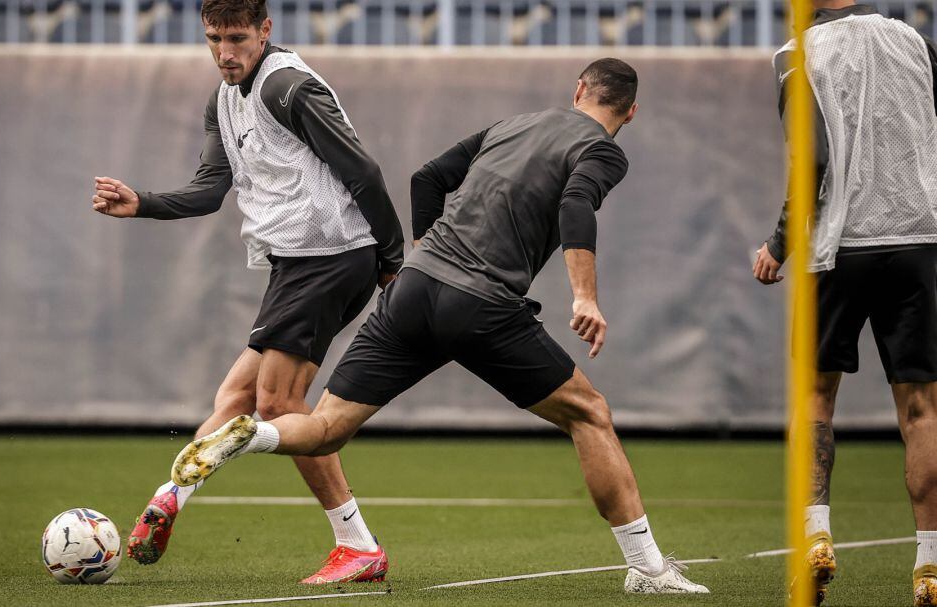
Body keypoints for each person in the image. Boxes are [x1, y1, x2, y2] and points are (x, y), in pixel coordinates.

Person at [170, 58, 709, 594]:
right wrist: (586, 297)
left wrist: (425, 247)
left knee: (326, 428)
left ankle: (252, 436)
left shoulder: (513, 124)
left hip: (412, 289)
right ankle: (648, 570)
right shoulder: (602, 149)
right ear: (630, 111)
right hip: (481, 304)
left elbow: (427, 176)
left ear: (579, 90)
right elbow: (575, 203)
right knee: (590, 414)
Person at [89, 0, 404, 583]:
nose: (225, 52)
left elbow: (364, 173)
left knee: (278, 404)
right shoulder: (223, 100)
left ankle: (357, 545)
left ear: (265, 31)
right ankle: (166, 500)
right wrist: (144, 204)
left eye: (237, 37)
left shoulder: (288, 88)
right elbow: (211, 190)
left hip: (333, 257)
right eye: (214, 38)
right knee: (234, 396)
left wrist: (392, 262)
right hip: (297, 266)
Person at [752, 2, 937, 604]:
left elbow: (814, 160)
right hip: (918, 241)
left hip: (838, 248)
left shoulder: (797, 55)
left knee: (815, 396)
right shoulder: (915, 41)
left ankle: (816, 540)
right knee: (921, 410)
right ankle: (930, 567)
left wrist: (780, 241)